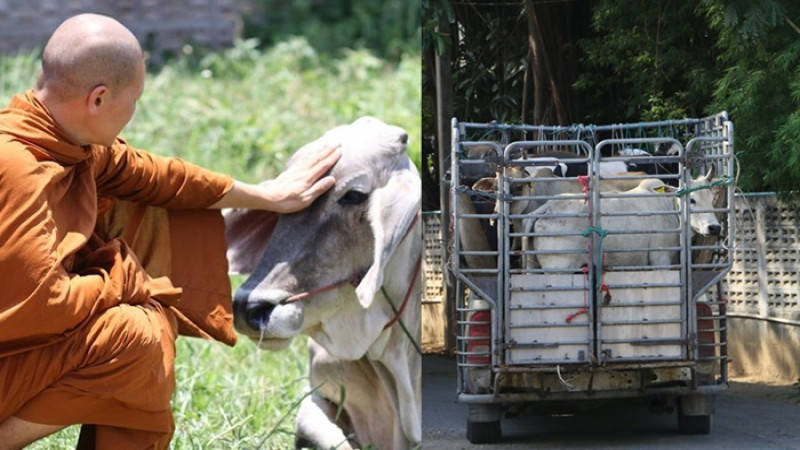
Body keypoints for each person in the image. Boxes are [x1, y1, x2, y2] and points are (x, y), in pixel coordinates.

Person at [0, 13, 340, 450]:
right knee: (134, 336)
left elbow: (156, 176)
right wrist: (128, 279)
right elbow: (40, 308)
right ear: (98, 99)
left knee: (145, 332)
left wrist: (265, 195)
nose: (134, 112)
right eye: (134, 100)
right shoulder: (20, 168)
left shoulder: (58, 136)